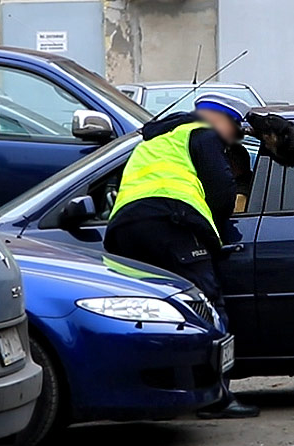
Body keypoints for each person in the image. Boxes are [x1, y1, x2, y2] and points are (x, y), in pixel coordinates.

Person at [104, 92, 259, 419]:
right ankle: (217, 398)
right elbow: (221, 192)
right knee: (206, 306)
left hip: (125, 230)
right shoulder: (201, 133)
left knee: (147, 312)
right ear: (216, 118)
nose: (236, 138)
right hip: (172, 223)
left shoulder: (154, 141)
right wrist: (214, 229)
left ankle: (144, 393)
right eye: (236, 129)